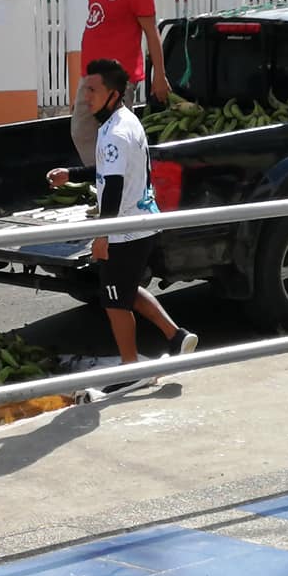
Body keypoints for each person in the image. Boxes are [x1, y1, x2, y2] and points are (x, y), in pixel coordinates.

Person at [47, 59, 196, 394]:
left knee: (114, 302)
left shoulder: (114, 132)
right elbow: (110, 169)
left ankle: (132, 369)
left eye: (93, 90)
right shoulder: (125, 120)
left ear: (113, 94)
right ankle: (176, 336)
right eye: (85, 89)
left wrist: (103, 235)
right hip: (141, 221)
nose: (86, 97)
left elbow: (113, 187)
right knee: (125, 289)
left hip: (125, 230)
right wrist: (72, 174)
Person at [71, 0, 171, 166]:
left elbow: (151, 33)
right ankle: (102, 179)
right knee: (83, 132)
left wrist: (159, 75)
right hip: (91, 77)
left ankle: (121, 181)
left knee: (116, 137)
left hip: (117, 79)